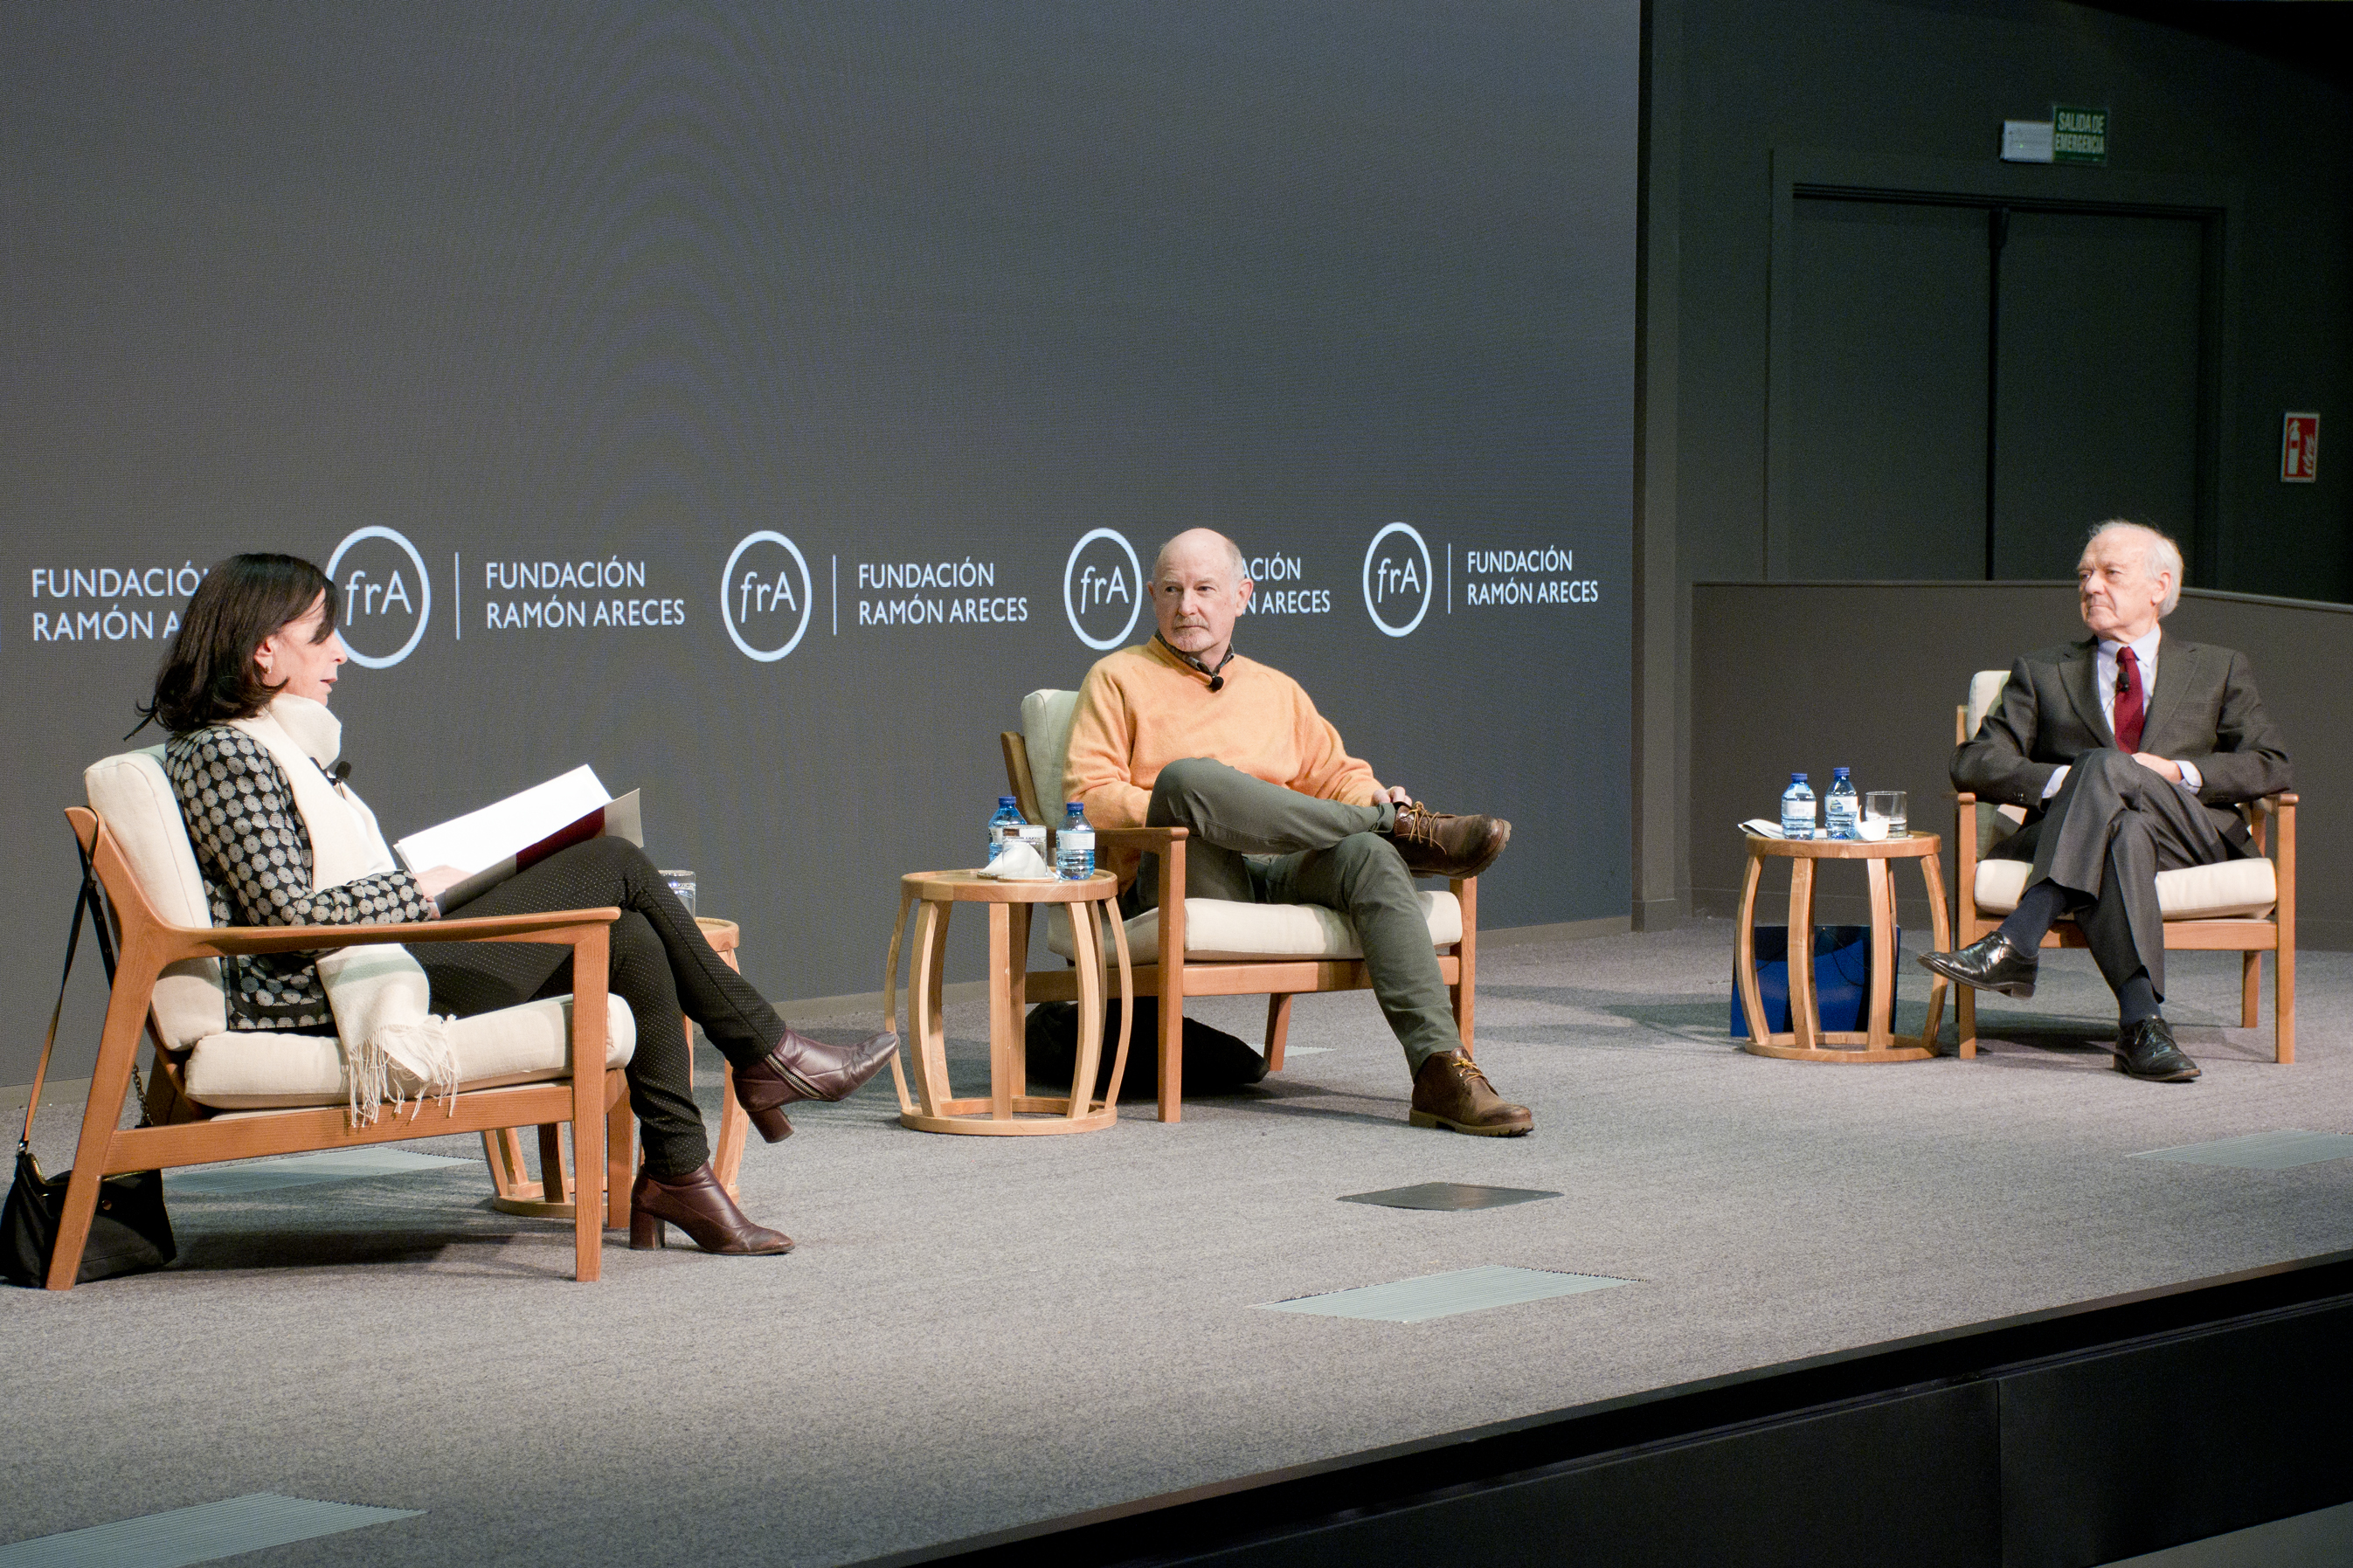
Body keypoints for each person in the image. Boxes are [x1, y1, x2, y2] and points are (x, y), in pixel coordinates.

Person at [142, 553, 896, 1254]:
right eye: (322, 635)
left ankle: (680, 1170)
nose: (341, 654)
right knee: (613, 863)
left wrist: (439, 879)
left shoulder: (269, 748)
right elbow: (287, 920)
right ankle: (767, 1054)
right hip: (331, 998)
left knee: (629, 935)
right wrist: (419, 888)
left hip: (368, 966)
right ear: (264, 651)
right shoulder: (226, 753)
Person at [1061, 528, 1530, 1134]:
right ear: (1152, 596)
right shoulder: (1116, 677)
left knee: (1368, 857)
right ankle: (1398, 829)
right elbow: (1088, 798)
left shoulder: (1276, 690)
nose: (1186, 606)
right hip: (1190, 870)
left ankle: (1441, 1070)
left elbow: (1337, 773)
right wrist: (1186, 806)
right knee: (1185, 780)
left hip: (1282, 867)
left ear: (1242, 596)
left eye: (1204, 589)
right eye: (1172, 590)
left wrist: (1370, 796)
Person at [1924, 521, 2292, 1081]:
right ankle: (2142, 1026)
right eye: (2085, 575)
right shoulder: (2043, 671)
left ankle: (2017, 941)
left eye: (2110, 573)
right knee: (2122, 826)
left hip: (2188, 833)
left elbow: (2271, 763)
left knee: (2107, 770)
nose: (2091, 586)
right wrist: (2069, 782)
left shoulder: (2218, 668)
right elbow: (1973, 761)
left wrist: (2174, 772)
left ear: (2159, 586)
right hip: (2085, 836)